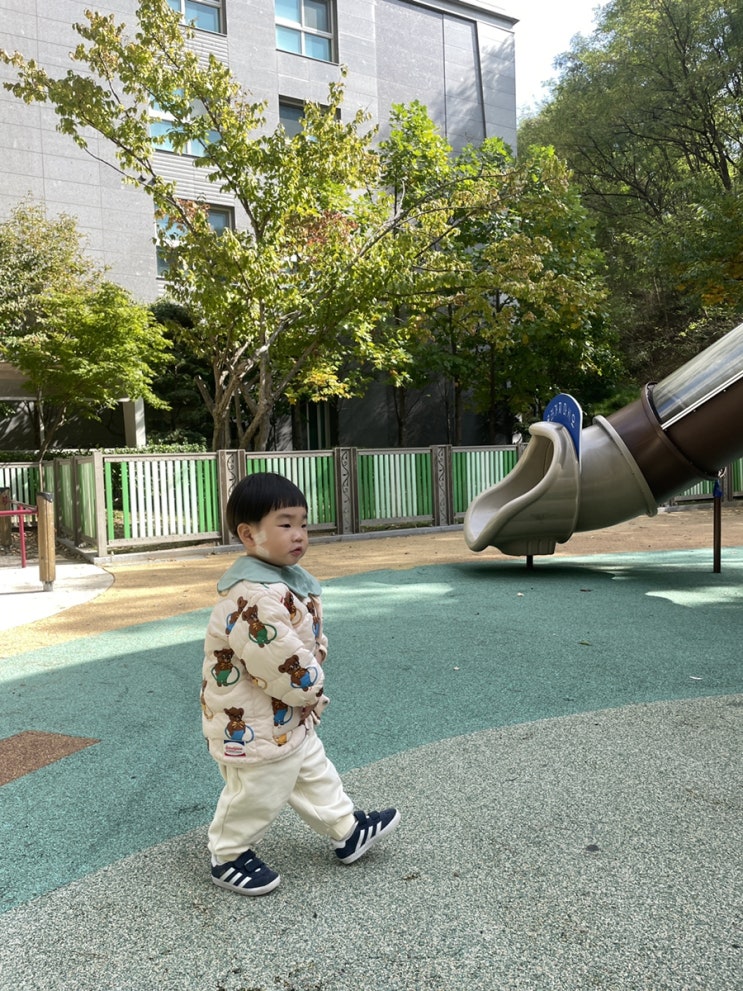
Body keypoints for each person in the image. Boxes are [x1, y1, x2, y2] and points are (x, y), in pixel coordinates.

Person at [201, 471, 400, 895]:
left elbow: (305, 636)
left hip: (285, 713)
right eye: (285, 524)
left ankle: (345, 829)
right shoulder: (255, 596)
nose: (299, 534)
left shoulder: (284, 583)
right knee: (258, 789)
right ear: (249, 535)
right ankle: (228, 854)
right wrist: (311, 692)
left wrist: (312, 668)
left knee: (312, 770)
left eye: (303, 524)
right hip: (254, 721)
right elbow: (278, 661)